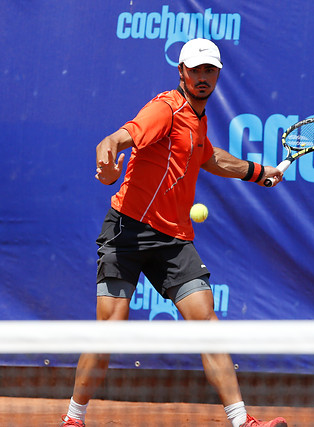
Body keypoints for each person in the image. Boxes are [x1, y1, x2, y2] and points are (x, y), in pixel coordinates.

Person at [61, 38, 287, 427]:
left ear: (217, 75)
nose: (202, 77)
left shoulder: (197, 118)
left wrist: (257, 172)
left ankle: (240, 421)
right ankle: (73, 417)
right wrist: (109, 157)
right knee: (109, 331)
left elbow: (208, 156)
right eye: (195, 70)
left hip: (174, 241)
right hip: (127, 233)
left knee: (207, 326)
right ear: (181, 72)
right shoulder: (164, 109)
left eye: (209, 71)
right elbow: (119, 137)